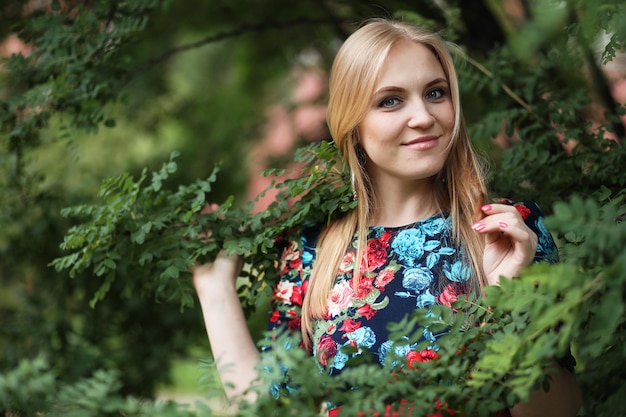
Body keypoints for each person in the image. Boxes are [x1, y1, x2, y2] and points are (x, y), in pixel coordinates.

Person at [192, 18, 582, 417]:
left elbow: (560, 412)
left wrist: (510, 309)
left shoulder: (508, 231)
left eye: (435, 93)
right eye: (390, 100)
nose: (423, 117)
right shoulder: (314, 251)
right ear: (353, 123)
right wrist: (215, 286)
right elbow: (271, 407)